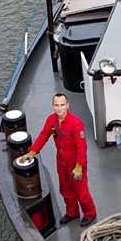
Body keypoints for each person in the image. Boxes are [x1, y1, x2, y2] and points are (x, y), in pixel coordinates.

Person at [27, 93, 97, 227]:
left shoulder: (76, 123)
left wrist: (79, 167)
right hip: (62, 161)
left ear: (67, 105)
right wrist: (32, 151)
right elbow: (43, 136)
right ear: (53, 106)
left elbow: (81, 148)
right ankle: (72, 212)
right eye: (57, 105)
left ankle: (90, 213)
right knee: (65, 189)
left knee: (80, 191)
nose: (59, 108)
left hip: (75, 162)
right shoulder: (51, 121)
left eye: (62, 105)